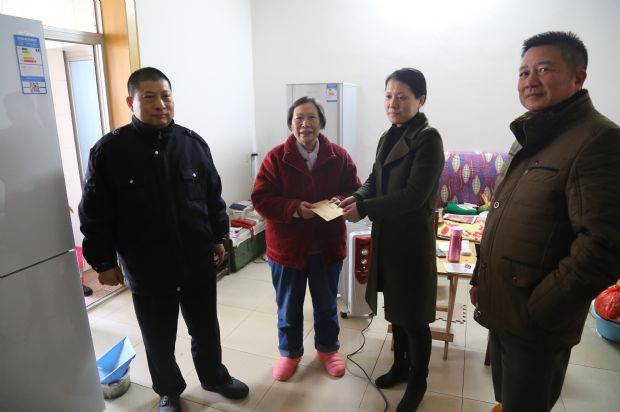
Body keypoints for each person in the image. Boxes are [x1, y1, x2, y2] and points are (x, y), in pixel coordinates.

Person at [78, 67, 248, 412]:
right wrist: (104, 262)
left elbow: (212, 198)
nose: (160, 104)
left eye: (166, 96)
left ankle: (214, 377)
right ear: (131, 102)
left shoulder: (192, 144)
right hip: (147, 266)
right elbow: (95, 213)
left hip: (196, 259)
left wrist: (219, 237)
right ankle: (169, 390)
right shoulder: (110, 151)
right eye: (149, 97)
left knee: (205, 327)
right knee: (158, 335)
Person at [469, 31, 620, 412]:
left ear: (577, 78)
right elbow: (503, 214)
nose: (530, 80)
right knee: (507, 400)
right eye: (523, 72)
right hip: (505, 307)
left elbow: (605, 245)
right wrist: (479, 278)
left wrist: (540, 307)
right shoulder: (529, 134)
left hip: (536, 321)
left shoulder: (599, 139)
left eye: (544, 69)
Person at [340, 68, 444, 412]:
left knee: (414, 318)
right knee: (396, 311)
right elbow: (375, 178)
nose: (393, 104)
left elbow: (414, 195)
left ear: (420, 100)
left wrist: (365, 208)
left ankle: (418, 382)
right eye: (388, 96)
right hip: (388, 238)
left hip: (411, 243)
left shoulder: (428, 139)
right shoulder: (389, 135)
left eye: (402, 97)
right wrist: (358, 196)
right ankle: (400, 366)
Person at [251, 96, 361, 381]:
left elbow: (355, 189)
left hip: (326, 247)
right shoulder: (276, 158)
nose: (305, 124)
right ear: (290, 124)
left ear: (321, 122)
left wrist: (338, 201)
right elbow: (261, 199)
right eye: (298, 118)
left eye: (311, 117)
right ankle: (290, 353)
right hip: (287, 250)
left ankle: (327, 349)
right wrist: (295, 209)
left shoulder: (339, 156)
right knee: (288, 308)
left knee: (326, 305)